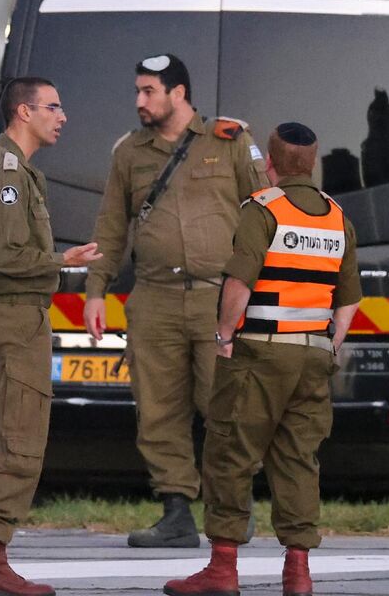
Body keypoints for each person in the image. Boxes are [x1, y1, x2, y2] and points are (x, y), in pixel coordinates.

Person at [164, 123, 360, 596]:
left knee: (230, 451)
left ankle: (223, 569)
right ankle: (297, 571)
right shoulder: (337, 217)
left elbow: (239, 282)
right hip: (313, 356)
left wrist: (224, 334)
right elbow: (349, 298)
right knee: (298, 459)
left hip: (259, 353)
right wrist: (330, 344)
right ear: (311, 163)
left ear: (270, 162)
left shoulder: (262, 209)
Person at [81, 54, 267, 548]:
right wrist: (96, 290)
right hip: (155, 298)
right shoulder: (129, 153)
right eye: (138, 91)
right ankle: (176, 513)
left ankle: (232, 505)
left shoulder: (229, 143)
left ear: (178, 93)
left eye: (149, 91)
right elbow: (111, 228)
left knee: (224, 403)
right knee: (158, 409)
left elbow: (264, 217)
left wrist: (259, 291)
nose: (140, 100)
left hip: (217, 298)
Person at [0, 77, 101, 596]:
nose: (62, 116)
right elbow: (2, 256)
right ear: (23, 111)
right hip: (14, 315)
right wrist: (62, 258)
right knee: (19, 438)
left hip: (8, 314)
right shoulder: (7, 172)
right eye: (52, 107)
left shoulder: (10, 169)